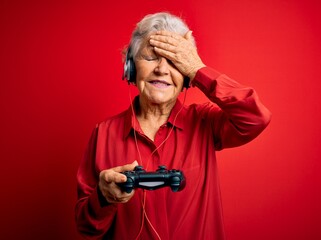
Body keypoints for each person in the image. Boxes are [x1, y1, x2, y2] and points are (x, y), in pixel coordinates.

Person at [75, 12, 271, 240]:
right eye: (151, 57)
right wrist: (103, 197)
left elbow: (255, 117)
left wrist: (199, 70)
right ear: (131, 68)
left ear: (187, 76)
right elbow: (86, 227)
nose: (162, 69)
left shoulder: (205, 123)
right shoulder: (104, 134)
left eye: (174, 61)